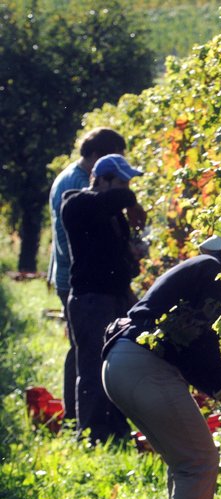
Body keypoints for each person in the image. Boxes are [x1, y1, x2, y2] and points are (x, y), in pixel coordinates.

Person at [101, 225, 221, 499]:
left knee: (186, 463)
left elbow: (187, 339)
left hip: (122, 361)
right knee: (199, 464)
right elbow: (195, 339)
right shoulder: (216, 273)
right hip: (143, 366)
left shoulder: (198, 267)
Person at [61, 154, 147, 442]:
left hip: (116, 297)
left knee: (118, 365)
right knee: (92, 365)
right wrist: (131, 200)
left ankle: (117, 429)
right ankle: (93, 434)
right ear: (102, 179)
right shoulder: (76, 204)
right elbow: (109, 201)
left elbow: (119, 256)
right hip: (91, 300)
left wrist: (132, 256)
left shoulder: (114, 215)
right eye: (121, 181)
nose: (125, 188)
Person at [47, 127, 127, 421]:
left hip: (77, 276)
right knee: (87, 353)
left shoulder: (73, 176)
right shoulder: (78, 184)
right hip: (78, 278)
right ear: (97, 158)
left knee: (85, 350)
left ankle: (82, 417)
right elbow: (71, 234)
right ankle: (80, 419)